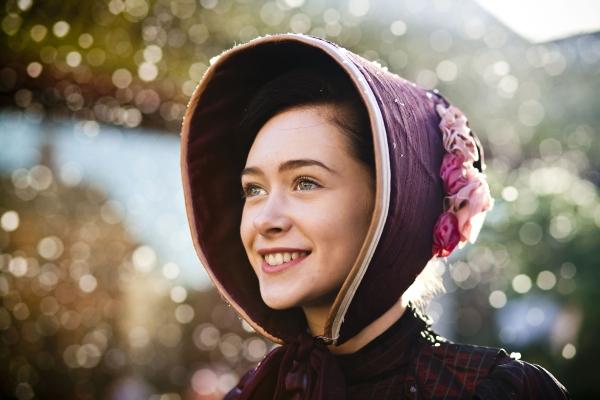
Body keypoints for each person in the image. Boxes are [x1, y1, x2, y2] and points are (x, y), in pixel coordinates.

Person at [180, 33, 569, 399]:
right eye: (254, 189)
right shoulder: (258, 391)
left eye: (305, 182)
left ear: (391, 200)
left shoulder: (495, 390)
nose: (266, 220)